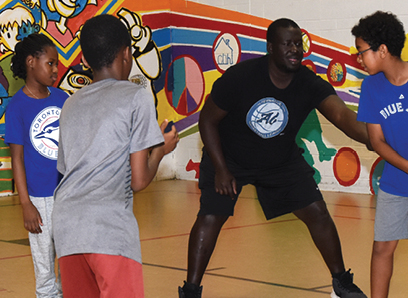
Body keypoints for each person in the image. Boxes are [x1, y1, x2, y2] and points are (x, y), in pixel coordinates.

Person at [179, 18, 371, 298]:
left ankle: (341, 282)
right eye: (287, 44)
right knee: (211, 216)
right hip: (229, 157)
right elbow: (207, 121)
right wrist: (220, 169)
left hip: (279, 160)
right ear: (270, 48)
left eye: (298, 44)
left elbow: (341, 115)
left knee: (317, 212)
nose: (295, 50)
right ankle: (191, 290)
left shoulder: (307, 82)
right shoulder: (241, 76)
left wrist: (377, 138)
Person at [52, 14, 179, 298]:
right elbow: (139, 179)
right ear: (127, 54)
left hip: (67, 229)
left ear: (85, 60)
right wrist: (160, 148)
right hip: (108, 230)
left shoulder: (71, 104)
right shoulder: (136, 96)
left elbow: (66, 170)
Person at [352, 11, 408, 298]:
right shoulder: (371, 87)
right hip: (394, 183)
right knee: (382, 247)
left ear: (383, 50)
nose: (358, 59)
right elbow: (376, 141)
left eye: (361, 52)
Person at [5, 33, 68, 298]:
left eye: (56, 64)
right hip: (40, 199)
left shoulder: (63, 98)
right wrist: (26, 204)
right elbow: (16, 159)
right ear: (31, 62)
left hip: (67, 193)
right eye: (50, 63)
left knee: (68, 259)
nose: (56, 70)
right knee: (45, 268)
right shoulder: (17, 107)